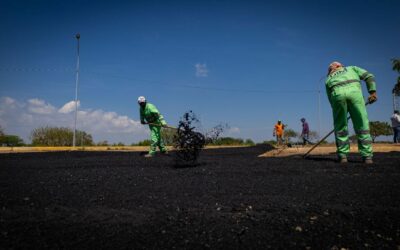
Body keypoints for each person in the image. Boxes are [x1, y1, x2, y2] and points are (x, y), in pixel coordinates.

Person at [325, 61, 377, 164]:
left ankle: (343, 156)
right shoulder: (352, 68)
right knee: (362, 124)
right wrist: (372, 92)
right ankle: (367, 156)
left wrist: (337, 111)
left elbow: (330, 99)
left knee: (340, 127)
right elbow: (369, 77)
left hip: (337, 97)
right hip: (355, 95)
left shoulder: (328, 79)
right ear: (341, 66)